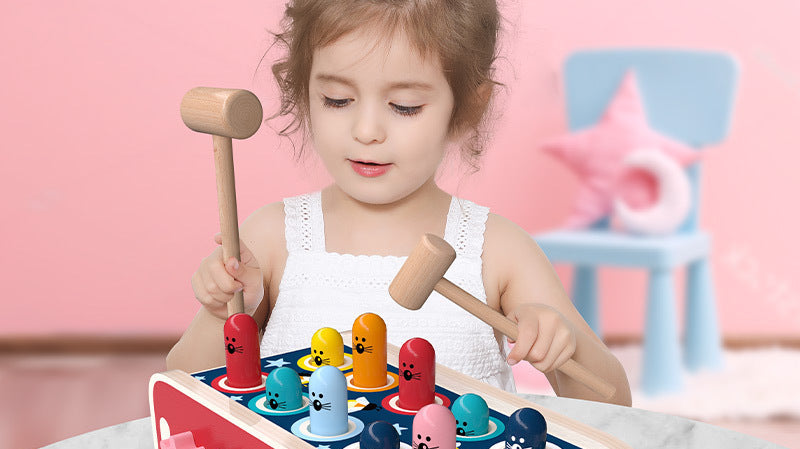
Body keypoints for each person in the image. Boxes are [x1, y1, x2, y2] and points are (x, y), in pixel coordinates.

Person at [167, 0, 631, 405]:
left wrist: (558, 342)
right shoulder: (271, 240)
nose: (367, 130)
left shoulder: (499, 250)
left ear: (466, 107)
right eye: (337, 99)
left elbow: (613, 401)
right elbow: (180, 388)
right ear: (302, 89)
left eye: (405, 106)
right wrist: (222, 313)